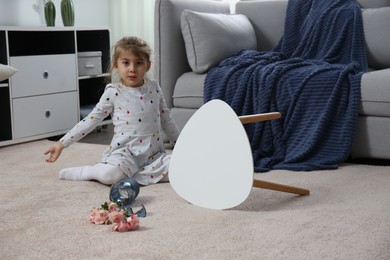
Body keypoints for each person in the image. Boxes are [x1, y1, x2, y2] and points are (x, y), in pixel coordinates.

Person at [44, 36, 179, 186]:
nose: (132, 69)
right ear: (116, 65)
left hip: (154, 156)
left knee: (184, 167)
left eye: (139, 63)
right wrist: (62, 143)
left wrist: (181, 145)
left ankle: (134, 176)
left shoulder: (154, 88)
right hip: (125, 154)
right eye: (126, 63)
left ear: (147, 66)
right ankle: (88, 171)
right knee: (110, 176)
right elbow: (90, 121)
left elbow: (167, 120)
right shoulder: (114, 91)